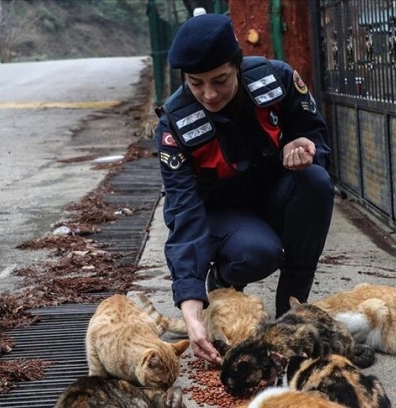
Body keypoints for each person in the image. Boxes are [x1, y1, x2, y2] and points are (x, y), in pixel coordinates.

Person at [154, 12, 334, 363]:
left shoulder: (277, 80)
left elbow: (315, 135)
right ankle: (222, 280)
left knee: (315, 182)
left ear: (237, 65)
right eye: (196, 83)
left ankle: (291, 313)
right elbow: (184, 216)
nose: (209, 94)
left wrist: (306, 150)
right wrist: (191, 310)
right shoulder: (174, 126)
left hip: (271, 197)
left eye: (220, 80)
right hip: (221, 217)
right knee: (258, 253)